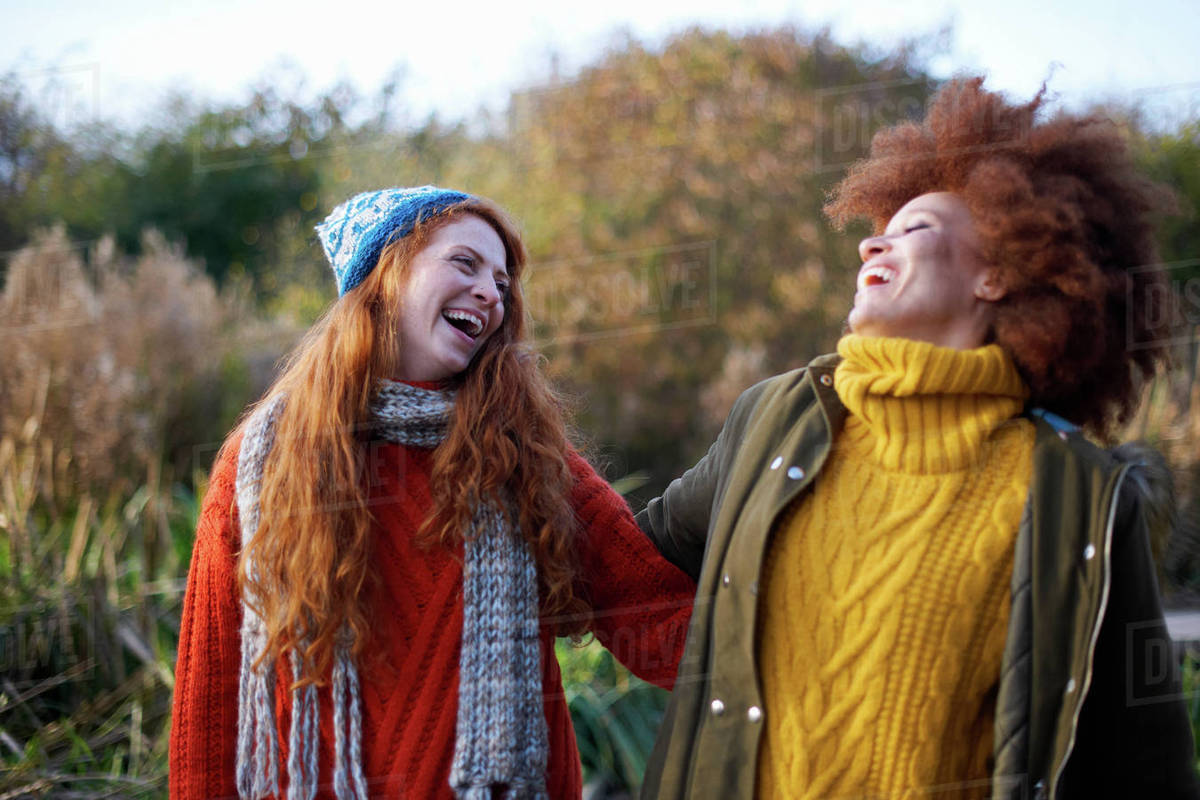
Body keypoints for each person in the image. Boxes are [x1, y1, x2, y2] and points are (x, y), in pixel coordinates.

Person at [636, 79, 1199, 799]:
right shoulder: (778, 418)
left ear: (997, 274)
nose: (874, 239)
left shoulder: (1079, 499)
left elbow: (1143, 766)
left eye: (916, 229)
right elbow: (623, 562)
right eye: (881, 228)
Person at [169, 186, 695, 800]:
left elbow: (659, 619)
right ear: (386, 274)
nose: (491, 294)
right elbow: (210, 697)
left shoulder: (525, 455)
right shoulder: (263, 464)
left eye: (502, 282)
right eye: (465, 264)